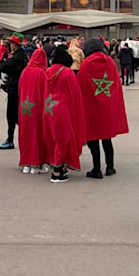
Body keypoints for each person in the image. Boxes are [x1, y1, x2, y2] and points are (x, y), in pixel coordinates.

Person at [78, 37, 129, 179]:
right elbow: (116, 85)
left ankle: (96, 169)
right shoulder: (110, 62)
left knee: (93, 139)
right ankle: (110, 167)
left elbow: (80, 85)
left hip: (91, 108)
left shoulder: (86, 64)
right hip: (107, 107)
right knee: (107, 139)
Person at [44, 44, 87, 182]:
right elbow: (75, 94)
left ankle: (58, 165)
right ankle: (57, 171)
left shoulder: (48, 71)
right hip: (63, 109)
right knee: (64, 140)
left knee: (54, 139)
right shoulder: (67, 73)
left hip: (48, 109)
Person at [17, 48, 49, 174]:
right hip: (38, 109)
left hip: (25, 108)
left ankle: (26, 163)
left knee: (26, 134)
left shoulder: (25, 71)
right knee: (38, 134)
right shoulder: (42, 73)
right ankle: (37, 164)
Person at [0, 33, 28, 150]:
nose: (10, 46)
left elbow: (3, 67)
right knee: (17, 114)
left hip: (14, 88)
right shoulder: (23, 56)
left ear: (15, 45)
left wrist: (5, 61)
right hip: (20, 87)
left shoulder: (16, 57)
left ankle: (10, 139)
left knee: (12, 115)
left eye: (11, 44)